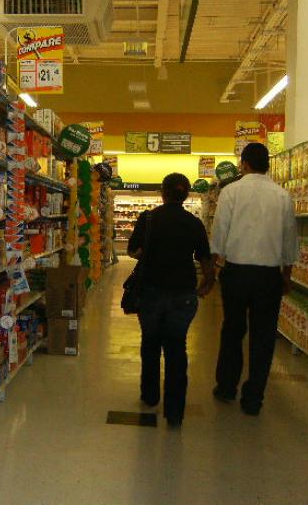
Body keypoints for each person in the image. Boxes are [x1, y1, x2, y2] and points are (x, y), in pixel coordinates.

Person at [211, 142, 298, 416]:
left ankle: (227, 387)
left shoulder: (230, 192)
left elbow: (220, 231)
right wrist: (286, 276)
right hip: (268, 276)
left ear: (244, 164)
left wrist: (217, 263)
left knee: (232, 330)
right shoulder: (282, 196)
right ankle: (253, 398)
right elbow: (289, 238)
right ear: (267, 165)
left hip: (236, 272)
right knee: (263, 336)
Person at [128, 173, 215, 428]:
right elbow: (204, 257)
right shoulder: (194, 223)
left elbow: (133, 250)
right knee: (177, 349)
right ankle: (175, 413)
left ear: (162, 193)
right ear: (186, 195)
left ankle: (150, 395)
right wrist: (208, 281)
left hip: (151, 291)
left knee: (150, 343)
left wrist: (149, 252)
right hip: (183, 293)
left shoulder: (149, 218)